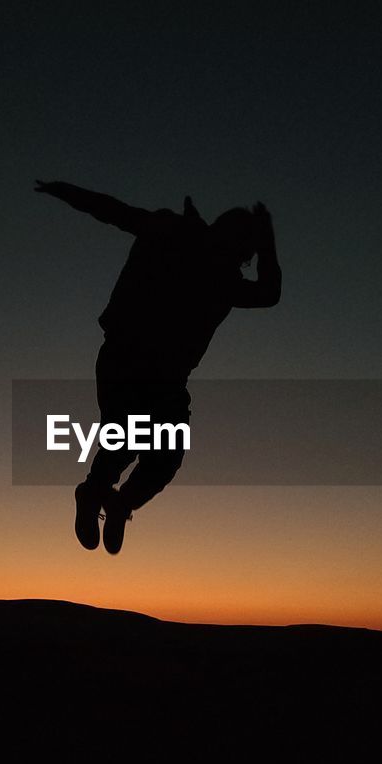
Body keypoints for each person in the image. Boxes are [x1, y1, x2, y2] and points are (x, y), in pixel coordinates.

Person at [35, 180, 282, 553]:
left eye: (243, 257)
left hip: (165, 378)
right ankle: (93, 493)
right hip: (126, 356)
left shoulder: (221, 275)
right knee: (128, 436)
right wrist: (66, 191)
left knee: (164, 456)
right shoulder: (174, 234)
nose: (239, 262)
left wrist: (263, 241)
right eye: (241, 253)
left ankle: (116, 502)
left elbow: (268, 294)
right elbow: (114, 211)